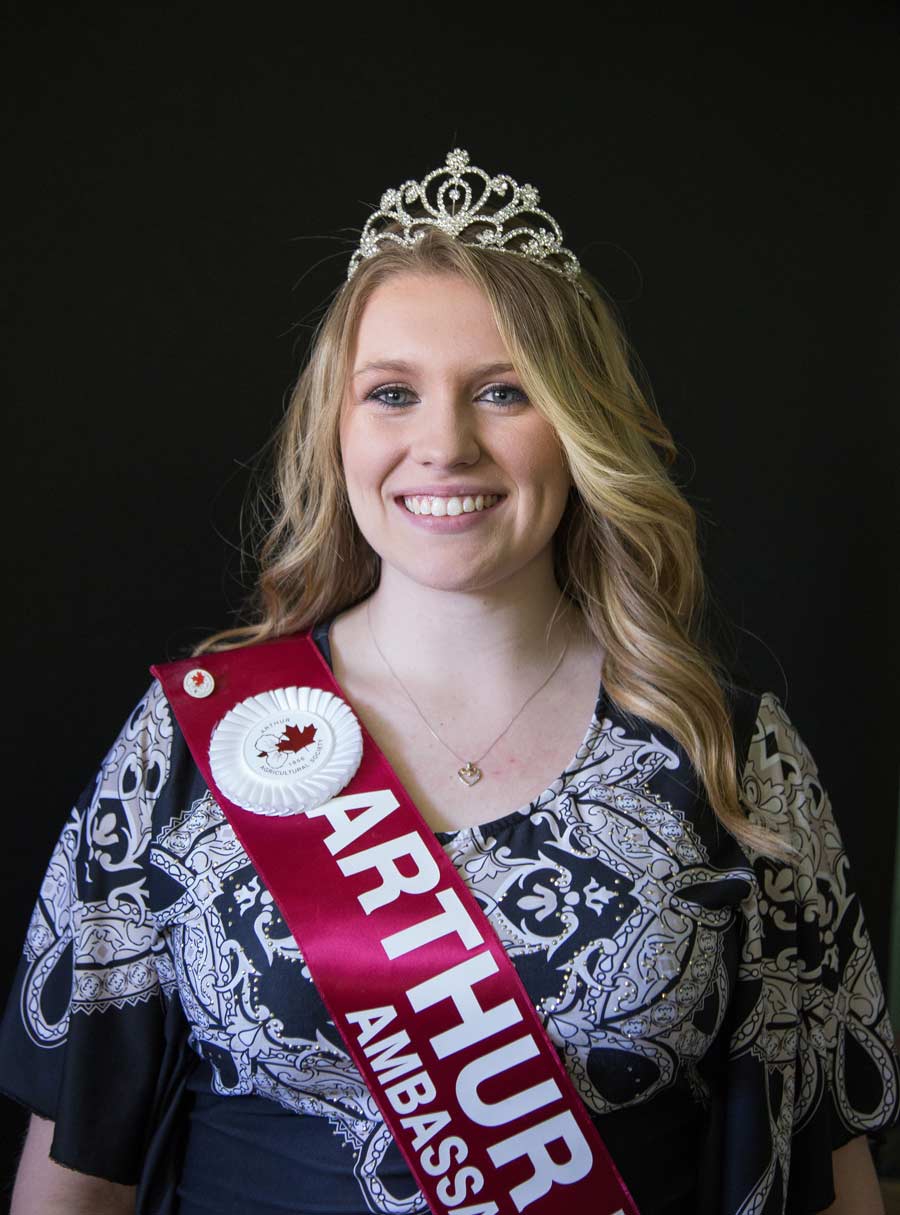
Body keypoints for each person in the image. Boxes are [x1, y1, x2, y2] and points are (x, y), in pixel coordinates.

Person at [1, 148, 897, 1215]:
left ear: (579, 426)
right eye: (392, 393)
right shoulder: (197, 739)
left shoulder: (729, 753)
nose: (445, 445)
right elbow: (73, 1175)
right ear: (336, 429)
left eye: (504, 392)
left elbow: (835, 1175)